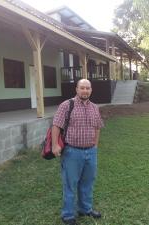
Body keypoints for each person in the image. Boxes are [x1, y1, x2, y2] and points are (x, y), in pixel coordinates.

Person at [52, 79, 104, 225]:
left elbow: (97, 128)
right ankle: (68, 214)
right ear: (76, 89)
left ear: (91, 90)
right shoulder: (67, 105)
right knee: (70, 184)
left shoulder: (95, 108)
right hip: (71, 152)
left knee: (88, 182)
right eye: (82, 88)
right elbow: (56, 125)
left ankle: (85, 209)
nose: (85, 91)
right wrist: (55, 145)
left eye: (87, 88)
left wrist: (95, 147)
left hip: (90, 152)